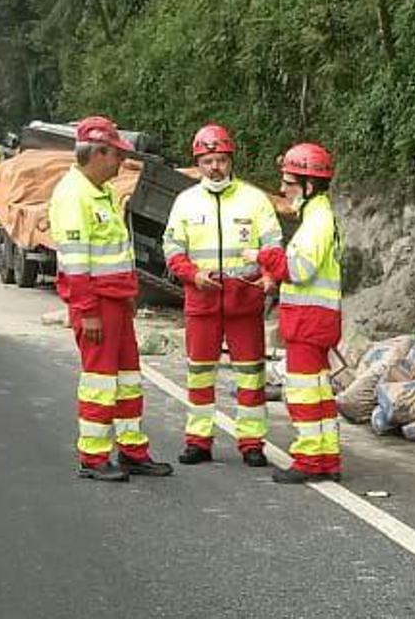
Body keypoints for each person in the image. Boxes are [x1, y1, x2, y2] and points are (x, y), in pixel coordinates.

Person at [49, 116, 173, 481]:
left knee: (127, 379)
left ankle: (133, 450)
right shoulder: (74, 196)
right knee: (100, 381)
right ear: (98, 152)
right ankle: (94, 457)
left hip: (115, 302)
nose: (121, 161)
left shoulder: (97, 192)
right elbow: (75, 263)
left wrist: (128, 295)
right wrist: (87, 312)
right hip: (97, 305)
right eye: (116, 154)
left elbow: (112, 253)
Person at [162, 124, 283, 467]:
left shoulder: (254, 199)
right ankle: (198, 441)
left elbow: (273, 246)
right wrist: (193, 275)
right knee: (199, 373)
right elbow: (172, 249)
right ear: (198, 163)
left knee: (251, 375)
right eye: (207, 161)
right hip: (201, 301)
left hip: (244, 301)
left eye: (220, 160)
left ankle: (252, 443)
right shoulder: (185, 202)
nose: (214, 167)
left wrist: (271, 276)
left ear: (231, 160)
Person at [243, 143, 342, 483]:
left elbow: (299, 269)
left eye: (289, 182)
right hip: (316, 319)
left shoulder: (317, 220)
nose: (283, 189)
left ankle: (310, 460)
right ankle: (327, 457)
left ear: (309, 186)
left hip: (309, 321)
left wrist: (263, 256)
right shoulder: (319, 216)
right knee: (318, 390)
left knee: (301, 391)